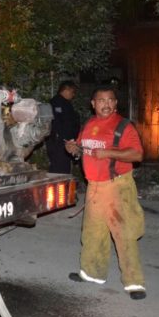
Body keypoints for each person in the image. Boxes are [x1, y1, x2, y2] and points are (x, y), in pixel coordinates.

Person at [64, 85, 147, 300]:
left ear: (116, 103)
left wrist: (109, 152)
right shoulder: (89, 124)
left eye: (110, 100)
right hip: (94, 187)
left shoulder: (123, 126)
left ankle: (134, 282)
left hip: (118, 186)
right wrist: (73, 148)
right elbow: (83, 148)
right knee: (92, 233)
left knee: (124, 235)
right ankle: (92, 273)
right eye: (101, 100)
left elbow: (137, 155)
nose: (106, 104)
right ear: (93, 104)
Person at [46, 81, 80, 174]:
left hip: (65, 143)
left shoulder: (65, 103)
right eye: (72, 92)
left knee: (63, 168)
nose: (73, 95)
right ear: (66, 89)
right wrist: (64, 139)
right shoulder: (56, 103)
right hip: (59, 143)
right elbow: (57, 124)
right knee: (60, 169)